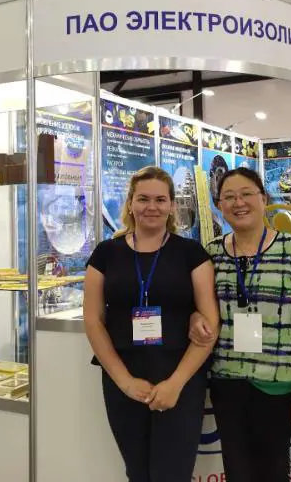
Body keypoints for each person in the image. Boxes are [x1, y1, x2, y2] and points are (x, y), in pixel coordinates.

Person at [190, 167, 291, 482]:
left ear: (263, 199)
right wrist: (195, 318)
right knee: (238, 474)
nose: (238, 203)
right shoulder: (212, 253)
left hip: (280, 389)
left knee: (278, 474)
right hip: (228, 386)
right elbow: (200, 308)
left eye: (246, 194)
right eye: (228, 197)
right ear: (219, 206)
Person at [83, 166, 220, 482]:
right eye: (143, 199)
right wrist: (125, 381)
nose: (151, 207)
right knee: (137, 473)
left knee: (172, 474)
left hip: (180, 378)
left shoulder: (191, 254)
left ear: (172, 206)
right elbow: (93, 320)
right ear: (130, 203)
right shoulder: (106, 254)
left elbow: (210, 324)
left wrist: (175, 383)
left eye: (160, 200)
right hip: (123, 378)